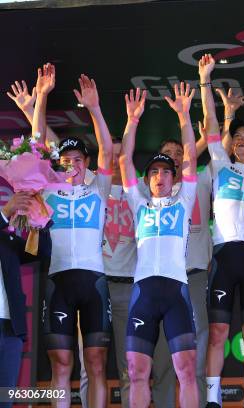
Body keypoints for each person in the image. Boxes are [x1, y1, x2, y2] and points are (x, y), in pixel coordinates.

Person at [34, 64, 113, 408]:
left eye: (77, 159)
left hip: (94, 281)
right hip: (59, 282)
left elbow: (109, 150)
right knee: (61, 364)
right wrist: (41, 98)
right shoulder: (49, 190)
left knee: (96, 363)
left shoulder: (99, 188)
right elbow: (37, 146)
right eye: (65, 160)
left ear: (86, 162)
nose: (71, 165)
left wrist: (94, 108)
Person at [119, 84, 199, 408]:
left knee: (187, 370)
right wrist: (132, 121)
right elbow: (124, 160)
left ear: (174, 176)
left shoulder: (185, 198)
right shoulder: (139, 202)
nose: (160, 177)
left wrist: (184, 116)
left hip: (176, 291)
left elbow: (191, 155)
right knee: (137, 372)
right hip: (144, 294)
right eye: (154, 172)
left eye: (167, 171)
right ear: (148, 177)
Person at [199, 54, 244, 408]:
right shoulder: (220, 167)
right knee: (218, 332)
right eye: (237, 136)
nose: (242, 140)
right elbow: (213, 126)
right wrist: (205, 80)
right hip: (224, 256)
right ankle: (212, 401)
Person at [0, 192, 52, 408]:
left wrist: (39, 224)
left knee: (5, 399)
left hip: (10, 328)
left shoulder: (5, 236)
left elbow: (36, 253)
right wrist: (4, 213)